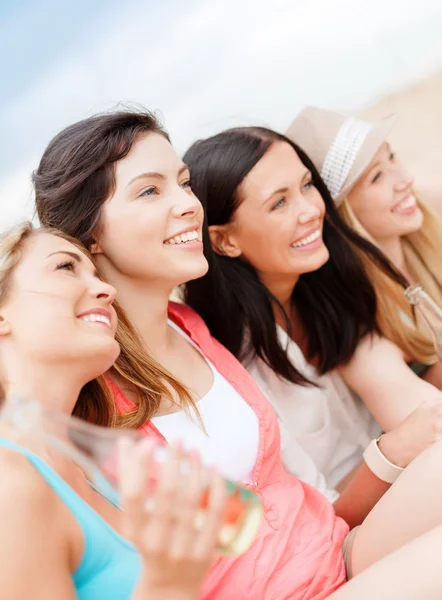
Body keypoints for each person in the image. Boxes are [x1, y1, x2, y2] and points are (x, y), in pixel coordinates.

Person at [34, 109, 442, 598]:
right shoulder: (89, 393)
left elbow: (306, 491)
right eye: (150, 190)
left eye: (183, 183)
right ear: (91, 234)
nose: (188, 204)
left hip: (339, 552)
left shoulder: (192, 328)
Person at [182, 125, 442, 519]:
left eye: (306, 185)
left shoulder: (330, 291)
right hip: (362, 532)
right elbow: (324, 518)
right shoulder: (236, 370)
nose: (310, 210)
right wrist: (397, 447)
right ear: (224, 241)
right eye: (279, 204)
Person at [0, 223, 226, 600]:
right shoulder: (10, 487)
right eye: (65, 268)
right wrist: (168, 586)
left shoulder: (86, 465)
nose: (107, 290)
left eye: (94, 271)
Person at [286, 106, 442, 387]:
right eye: (377, 176)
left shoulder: (427, 236)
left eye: (392, 156)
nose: (405, 179)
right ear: (343, 213)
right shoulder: (356, 319)